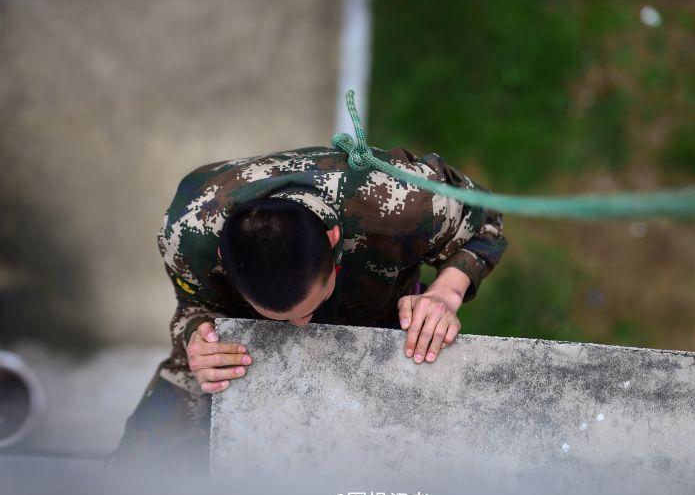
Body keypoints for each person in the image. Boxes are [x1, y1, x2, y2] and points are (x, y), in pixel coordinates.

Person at [110, 145, 507, 471]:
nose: (301, 326)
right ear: (221, 260)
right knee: (138, 479)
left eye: (308, 308)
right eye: (283, 317)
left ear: (335, 242)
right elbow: (195, 304)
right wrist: (198, 336)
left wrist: (445, 293)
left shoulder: (400, 201)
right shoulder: (188, 232)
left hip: (377, 328)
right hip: (245, 351)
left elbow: (486, 219)